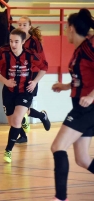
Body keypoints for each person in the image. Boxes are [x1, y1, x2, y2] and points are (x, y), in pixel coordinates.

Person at [51, 8, 94, 201]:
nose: (65, 31)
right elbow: (84, 78)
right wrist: (66, 85)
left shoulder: (90, 46)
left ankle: (60, 198)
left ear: (71, 28)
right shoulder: (79, 50)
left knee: (58, 147)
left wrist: (92, 96)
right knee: (82, 159)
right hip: (82, 106)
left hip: (87, 109)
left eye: (66, 28)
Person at [0, 28, 47, 163]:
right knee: (12, 121)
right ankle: (39, 115)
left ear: (23, 42)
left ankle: (8, 150)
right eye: (11, 41)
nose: (13, 44)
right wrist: (6, 82)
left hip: (25, 91)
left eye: (16, 41)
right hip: (9, 91)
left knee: (16, 121)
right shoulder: (4, 53)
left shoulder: (30, 54)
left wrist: (34, 82)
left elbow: (44, 67)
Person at [15, 16, 51, 144]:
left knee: (21, 109)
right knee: (15, 109)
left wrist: (35, 80)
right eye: (19, 24)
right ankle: (23, 134)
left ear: (29, 26)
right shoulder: (15, 39)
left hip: (30, 77)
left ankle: (42, 116)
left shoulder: (34, 42)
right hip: (17, 76)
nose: (21, 27)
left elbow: (43, 62)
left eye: (24, 24)